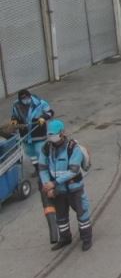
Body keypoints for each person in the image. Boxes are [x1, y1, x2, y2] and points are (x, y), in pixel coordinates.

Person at [39, 120, 92, 251]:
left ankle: (86, 238)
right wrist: (47, 185)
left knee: (82, 214)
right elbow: (42, 168)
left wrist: (54, 183)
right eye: (49, 135)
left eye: (54, 134)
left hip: (75, 189)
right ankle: (65, 238)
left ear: (62, 133)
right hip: (58, 191)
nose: (51, 137)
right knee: (61, 217)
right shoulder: (46, 148)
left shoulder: (73, 148)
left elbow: (73, 171)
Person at [10, 89, 54, 177]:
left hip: (38, 133)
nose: (25, 100)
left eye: (27, 98)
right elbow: (14, 116)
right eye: (23, 99)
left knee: (40, 152)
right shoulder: (16, 105)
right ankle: (37, 169)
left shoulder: (40, 103)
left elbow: (50, 112)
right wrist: (14, 122)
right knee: (31, 153)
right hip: (25, 135)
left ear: (30, 96)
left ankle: (47, 170)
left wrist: (43, 117)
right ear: (20, 99)